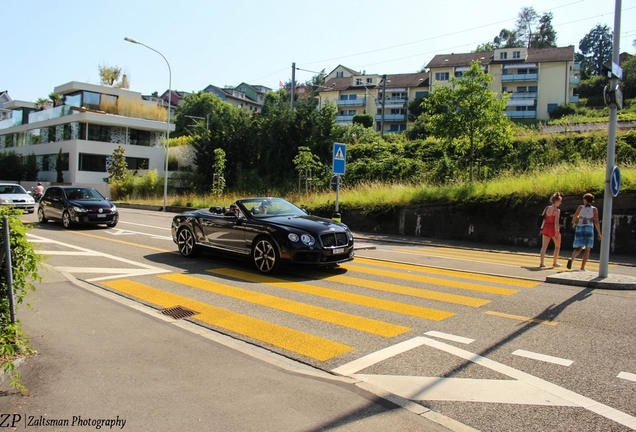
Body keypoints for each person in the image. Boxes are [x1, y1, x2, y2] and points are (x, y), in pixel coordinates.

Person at [567, 193, 602, 271]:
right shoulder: (594, 209)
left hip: (580, 228)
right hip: (589, 228)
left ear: (586, 200)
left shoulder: (580, 207)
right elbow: (596, 221)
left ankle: (571, 258)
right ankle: (582, 267)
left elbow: (574, 217)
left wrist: (578, 220)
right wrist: (599, 233)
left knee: (579, 247)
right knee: (587, 249)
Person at [539, 192, 562, 268]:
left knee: (544, 246)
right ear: (556, 201)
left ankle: (542, 263)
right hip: (552, 228)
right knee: (557, 246)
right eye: (559, 201)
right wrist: (556, 233)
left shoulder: (547, 208)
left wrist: (541, 228)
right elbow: (556, 222)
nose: (560, 203)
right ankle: (554, 262)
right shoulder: (557, 211)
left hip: (545, 228)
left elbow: (542, 218)